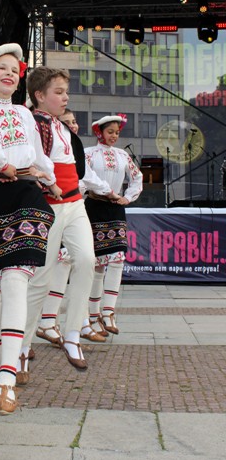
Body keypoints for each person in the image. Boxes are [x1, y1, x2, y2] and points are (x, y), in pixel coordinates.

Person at [0, 43, 57, 415]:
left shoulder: (24, 113)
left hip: (25, 196)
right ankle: (3, 368)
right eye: (0, 67)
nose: (8, 73)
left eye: (14, 69)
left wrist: (51, 180)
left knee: (17, 279)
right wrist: (3, 164)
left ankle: (7, 377)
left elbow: (39, 156)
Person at [19, 67, 119, 374]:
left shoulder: (61, 127)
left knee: (87, 260)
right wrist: (46, 182)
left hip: (74, 203)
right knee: (41, 277)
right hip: (50, 207)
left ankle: (74, 333)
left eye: (66, 92)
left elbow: (77, 170)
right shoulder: (34, 123)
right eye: (59, 92)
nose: (65, 98)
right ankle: (21, 345)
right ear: (39, 95)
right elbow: (32, 161)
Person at [85, 114, 143, 336]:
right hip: (94, 207)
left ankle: (109, 311)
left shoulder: (122, 155)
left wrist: (127, 197)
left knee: (118, 258)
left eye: (117, 133)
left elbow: (137, 177)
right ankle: (94, 315)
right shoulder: (89, 153)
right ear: (99, 132)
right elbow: (83, 179)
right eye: (110, 132)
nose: (114, 136)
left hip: (115, 207)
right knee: (97, 263)